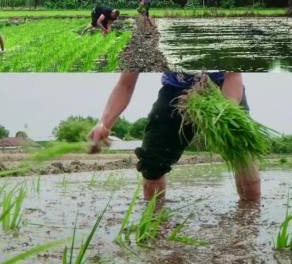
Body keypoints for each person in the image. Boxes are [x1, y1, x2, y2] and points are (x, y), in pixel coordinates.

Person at [87, 72, 260, 201]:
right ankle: (155, 228)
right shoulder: (146, 31)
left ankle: (248, 223)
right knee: (152, 164)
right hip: (175, 91)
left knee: (242, 154)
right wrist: (104, 123)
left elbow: (233, 76)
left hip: (221, 86)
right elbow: (125, 84)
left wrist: (224, 116)